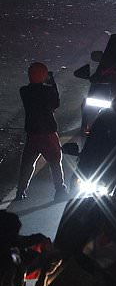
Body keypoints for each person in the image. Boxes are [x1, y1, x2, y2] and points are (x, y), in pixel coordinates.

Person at [15, 62, 66, 201]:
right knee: (55, 162)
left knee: (27, 164)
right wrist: (52, 84)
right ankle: (59, 190)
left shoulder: (24, 91)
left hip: (33, 133)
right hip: (48, 132)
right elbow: (56, 103)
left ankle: (20, 191)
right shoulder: (48, 91)